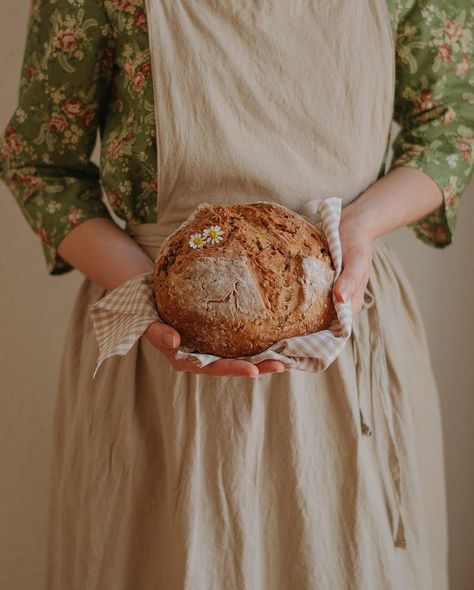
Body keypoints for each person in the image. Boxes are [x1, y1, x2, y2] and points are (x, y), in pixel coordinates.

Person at [0, 0, 472, 588]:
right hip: (157, 358)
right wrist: (144, 291)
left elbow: (452, 127)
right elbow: (39, 164)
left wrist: (362, 224)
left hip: (345, 347)